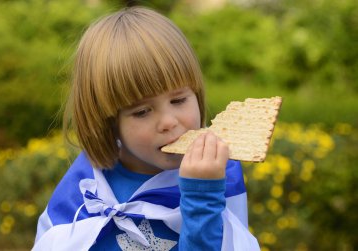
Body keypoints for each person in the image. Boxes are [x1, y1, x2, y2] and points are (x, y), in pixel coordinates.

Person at [33, 6, 259, 251]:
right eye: (142, 112)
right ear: (109, 121)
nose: (168, 121)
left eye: (179, 100)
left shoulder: (218, 174)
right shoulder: (84, 192)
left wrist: (202, 197)